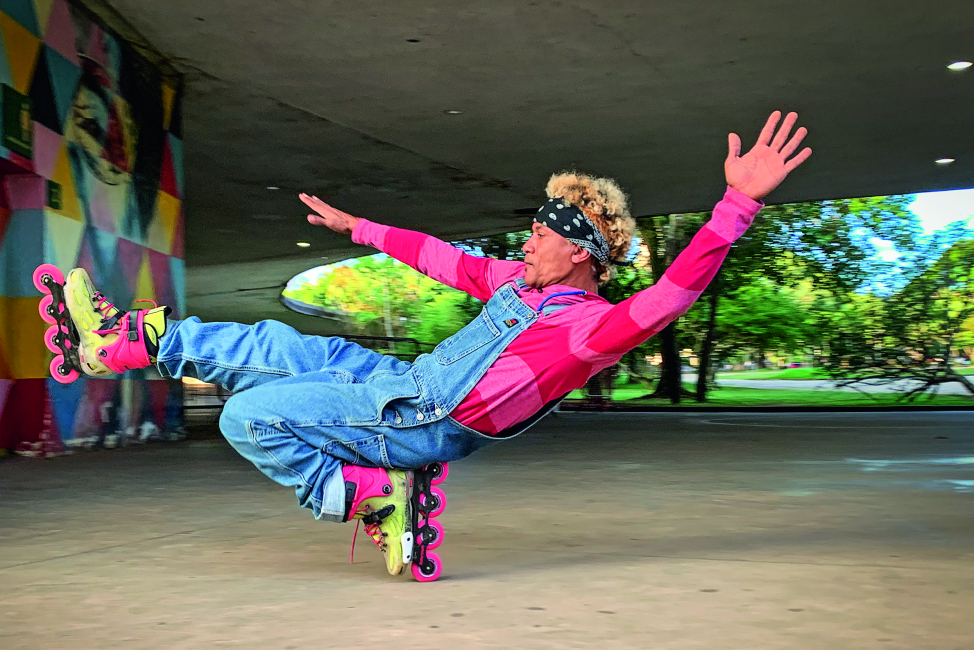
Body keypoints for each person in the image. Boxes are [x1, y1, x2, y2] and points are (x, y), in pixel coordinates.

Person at [51, 111, 811, 578]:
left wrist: (735, 205)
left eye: (545, 231)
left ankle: (372, 497)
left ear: (582, 252)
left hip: (422, 419)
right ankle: (118, 344)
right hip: (399, 380)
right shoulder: (517, 283)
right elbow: (436, 256)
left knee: (245, 417)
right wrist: (360, 231)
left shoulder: (588, 329)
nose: (532, 234)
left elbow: (671, 294)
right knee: (270, 344)